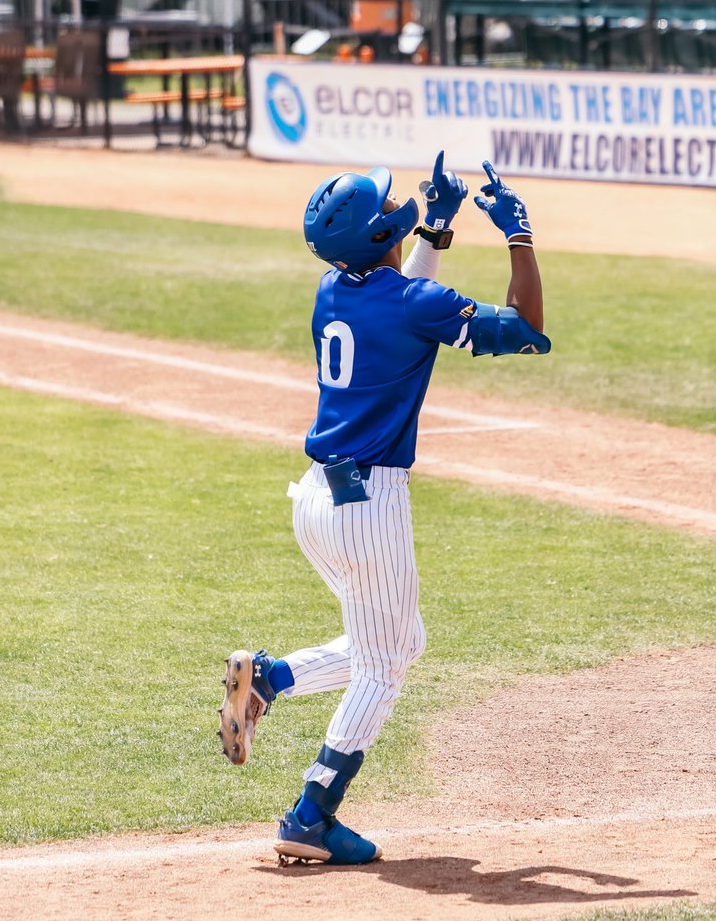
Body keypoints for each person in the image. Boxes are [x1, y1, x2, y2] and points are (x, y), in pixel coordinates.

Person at [219, 152, 550, 865]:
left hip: (315, 500)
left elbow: (403, 294)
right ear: (378, 235)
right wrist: (518, 236)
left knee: (398, 642)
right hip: (368, 506)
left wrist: (435, 227)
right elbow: (526, 325)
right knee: (384, 669)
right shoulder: (409, 302)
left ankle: (271, 679)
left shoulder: (332, 288)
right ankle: (311, 813)